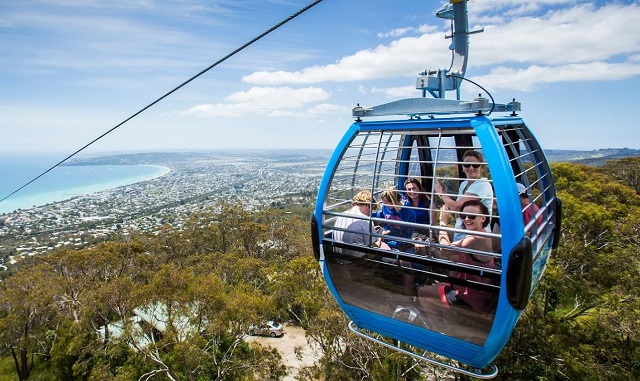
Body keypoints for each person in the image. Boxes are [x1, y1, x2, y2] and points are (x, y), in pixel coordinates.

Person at [413, 200, 497, 344]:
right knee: (438, 285)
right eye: (464, 216)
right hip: (476, 290)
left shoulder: (475, 239)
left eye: (472, 216)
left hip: (470, 296)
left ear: (483, 218)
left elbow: (445, 248)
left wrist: (443, 222)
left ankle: (439, 333)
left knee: (423, 292)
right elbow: (454, 257)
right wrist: (431, 250)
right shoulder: (481, 234)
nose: (467, 219)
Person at [434, 150, 493, 241]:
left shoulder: (482, 185)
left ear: (481, 167)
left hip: (475, 235)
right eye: (467, 165)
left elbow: (457, 207)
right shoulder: (464, 184)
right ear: (462, 167)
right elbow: (459, 210)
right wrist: (444, 194)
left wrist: (440, 194)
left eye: (475, 165)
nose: (471, 167)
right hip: (462, 232)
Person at [333, 190, 378, 255]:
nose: (370, 213)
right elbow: (373, 252)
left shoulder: (340, 216)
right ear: (368, 205)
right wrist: (380, 238)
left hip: (339, 258)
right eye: (372, 209)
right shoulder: (366, 221)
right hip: (357, 261)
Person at [372, 186, 416, 251]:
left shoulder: (409, 214)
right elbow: (380, 215)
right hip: (384, 236)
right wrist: (368, 215)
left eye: (386, 203)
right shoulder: (386, 207)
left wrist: (392, 244)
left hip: (399, 242)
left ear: (393, 201)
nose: (385, 205)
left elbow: (407, 235)